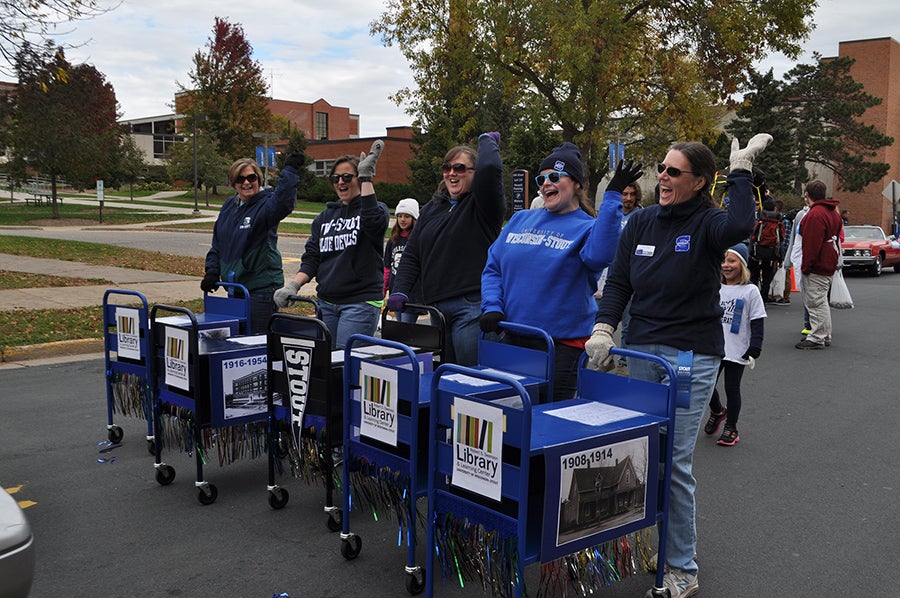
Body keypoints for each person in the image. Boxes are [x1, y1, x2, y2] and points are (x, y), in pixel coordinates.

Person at [585, 133, 773, 598]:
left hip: (688, 355)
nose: (663, 178)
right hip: (642, 350)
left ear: (700, 182)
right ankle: (652, 544)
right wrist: (605, 328)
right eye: (662, 170)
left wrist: (742, 174)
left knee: (673, 460)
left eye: (674, 172)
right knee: (637, 453)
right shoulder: (642, 222)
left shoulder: (710, 222)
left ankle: (681, 568)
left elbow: (740, 227)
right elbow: (620, 284)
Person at [480, 143, 642, 401]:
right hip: (511, 337)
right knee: (508, 418)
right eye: (541, 178)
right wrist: (491, 306)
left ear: (576, 183)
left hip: (560, 347)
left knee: (548, 427)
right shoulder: (521, 219)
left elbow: (601, 256)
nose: (546, 184)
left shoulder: (588, 227)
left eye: (554, 177)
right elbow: (493, 267)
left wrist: (612, 196)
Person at [386, 133, 507, 366]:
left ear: (475, 173)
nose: (452, 173)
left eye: (460, 168)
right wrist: (400, 289)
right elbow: (413, 253)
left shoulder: (484, 206)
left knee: (472, 379)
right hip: (437, 309)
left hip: (471, 306)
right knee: (445, 377)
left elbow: (491, 167)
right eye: (447, 167)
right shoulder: (432, 207)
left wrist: (486, 141)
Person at [274, 141, 389, 348]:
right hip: (327, 303)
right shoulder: (324, 217)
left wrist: (366, 179)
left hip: (359, 303)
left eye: (347, 177)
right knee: (326, 363)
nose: (341, 182)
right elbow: (313, 257)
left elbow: (373, 223)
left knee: (345, 363)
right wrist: (293, 285)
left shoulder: (375, 209)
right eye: (335, 178)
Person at [201, 152, 303, 334]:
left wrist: (290, 171)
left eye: (251, 177)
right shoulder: (228, 207)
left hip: (260, 290)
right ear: (233, 183)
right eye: (240, 179)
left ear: (259, 179)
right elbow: (218, 243)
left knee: (256, 345)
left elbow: (283, 201)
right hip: (235, 289)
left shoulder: (266, 205)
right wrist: (212, 271)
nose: (246, 183)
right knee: (235, 343)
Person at [703, 243, 766, 447]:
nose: (726, 265)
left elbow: (757, 321)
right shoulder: (715, 287)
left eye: (732, 261)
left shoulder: (750, 291)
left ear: (743, 264)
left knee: (732, 388)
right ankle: (717, 411)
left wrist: (755, 346)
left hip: (737, 349)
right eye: (723, 260)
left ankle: (731, 426)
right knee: (706, 385)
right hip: (712, 346)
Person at [795, 180, 842, 350]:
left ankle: (817, 336)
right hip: (829, 260)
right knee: (821, 301)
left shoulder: (815, 215)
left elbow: (811, 245)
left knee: (815, 301)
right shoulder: (833, 213)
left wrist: (806, 266)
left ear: (807, 194)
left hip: (818, 264)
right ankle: (824, 334)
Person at [383, 198, 422, 323]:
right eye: (399, 216)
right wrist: (384, 287)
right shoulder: (393, 240)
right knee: (399, 326)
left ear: (414, 218)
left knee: (406, 327)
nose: (402, 220)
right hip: (396, 290)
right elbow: (387, 266)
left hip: (412, 292)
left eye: (407, 216)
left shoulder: (417, 239)